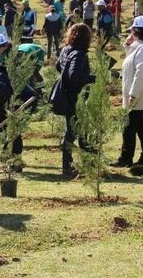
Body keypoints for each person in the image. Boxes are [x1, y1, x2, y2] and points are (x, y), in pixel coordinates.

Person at [114, 16, 143, 167]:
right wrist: (128, 44)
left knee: (128, 127)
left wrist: (133, 94)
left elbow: (141, 73)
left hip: (140, 95)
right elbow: (131, 59)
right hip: (140, 94)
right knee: (141, 127)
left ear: (137, 31)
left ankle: (126, 158)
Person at [54, 24, 95, 177]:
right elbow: (74, 75)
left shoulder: (66, 50)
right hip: (75, 98)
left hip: (67, 95)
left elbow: (59, 66)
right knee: (73, 132)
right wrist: (94, 78)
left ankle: (89, 163)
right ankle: (68, 166)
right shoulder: (79, 54)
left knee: (80, 131)